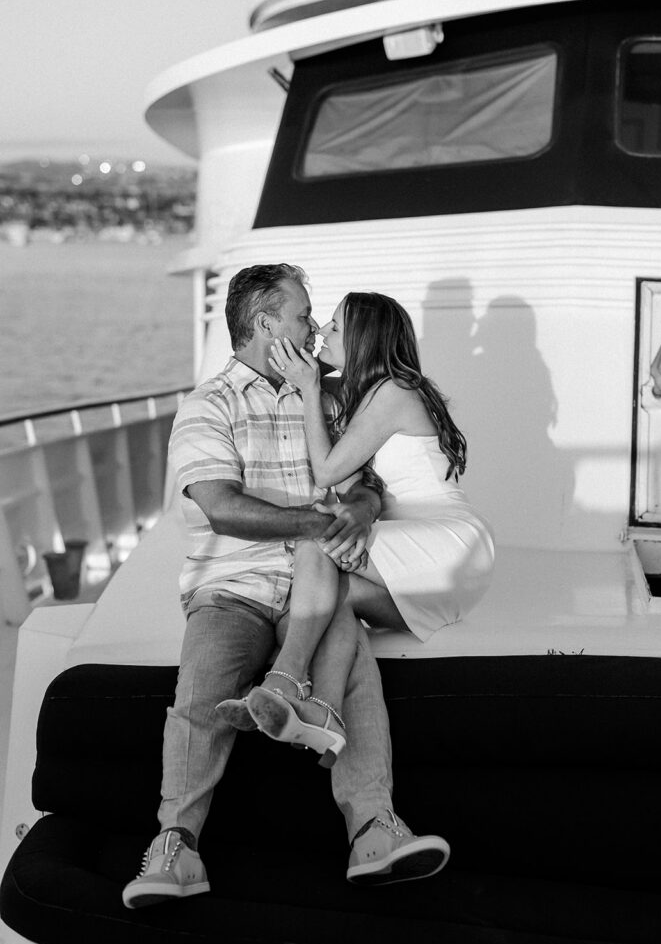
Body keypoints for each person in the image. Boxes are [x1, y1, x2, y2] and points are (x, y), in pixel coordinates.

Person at [122, 264, 450, 909]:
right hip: (233, 585)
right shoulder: (208, 405)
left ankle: (375, 832)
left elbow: (363, 480)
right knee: (200, 688)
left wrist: (361, 509)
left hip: (318, 580)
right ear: (266, 324)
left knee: (358, 678)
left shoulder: (324, 398)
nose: (313, 326)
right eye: (303, 316)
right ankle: (175, 847)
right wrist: (318, 525)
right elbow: (221, 507)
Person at [239, 291, 494, 760]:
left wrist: (310, 387)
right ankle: (325, 712)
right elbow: (350, 481)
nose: (321, 332)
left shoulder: (393, 391)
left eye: (335, 326)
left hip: (447, 542)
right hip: (443, 566)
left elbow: (327, 471)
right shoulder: (369, 393)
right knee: (334, 597)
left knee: (316, 540)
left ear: (364, 340)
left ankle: (283, 680)